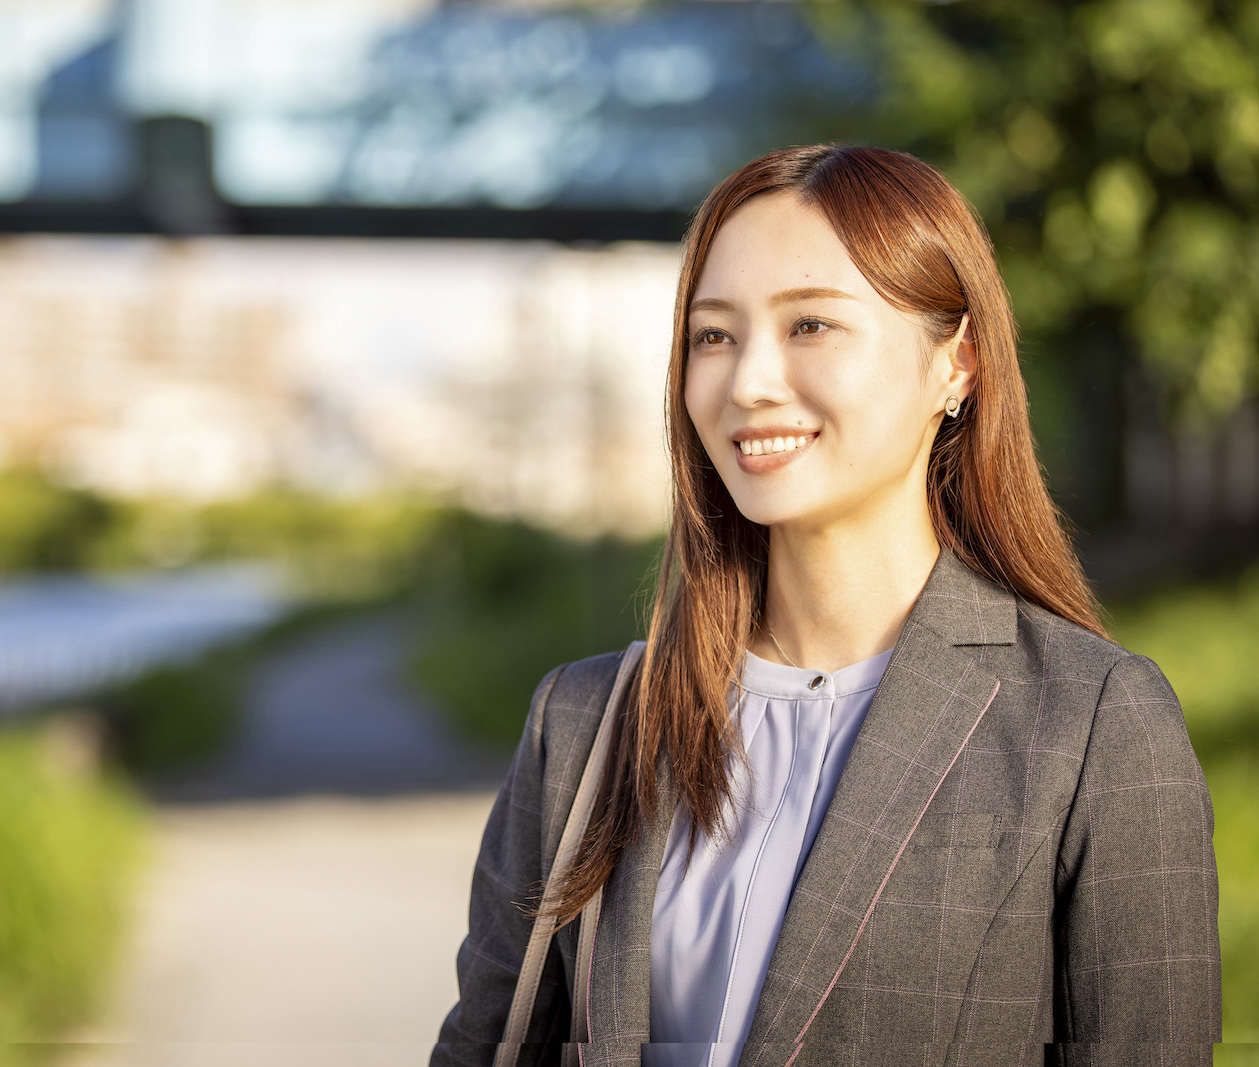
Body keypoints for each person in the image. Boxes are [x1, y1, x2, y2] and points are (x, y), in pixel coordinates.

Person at [430, 145, 1220, 1067]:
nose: (749, 381)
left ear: (955, 363)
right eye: (714, 335)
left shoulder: (1089, 725)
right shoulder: (584, 724)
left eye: (810, 325)